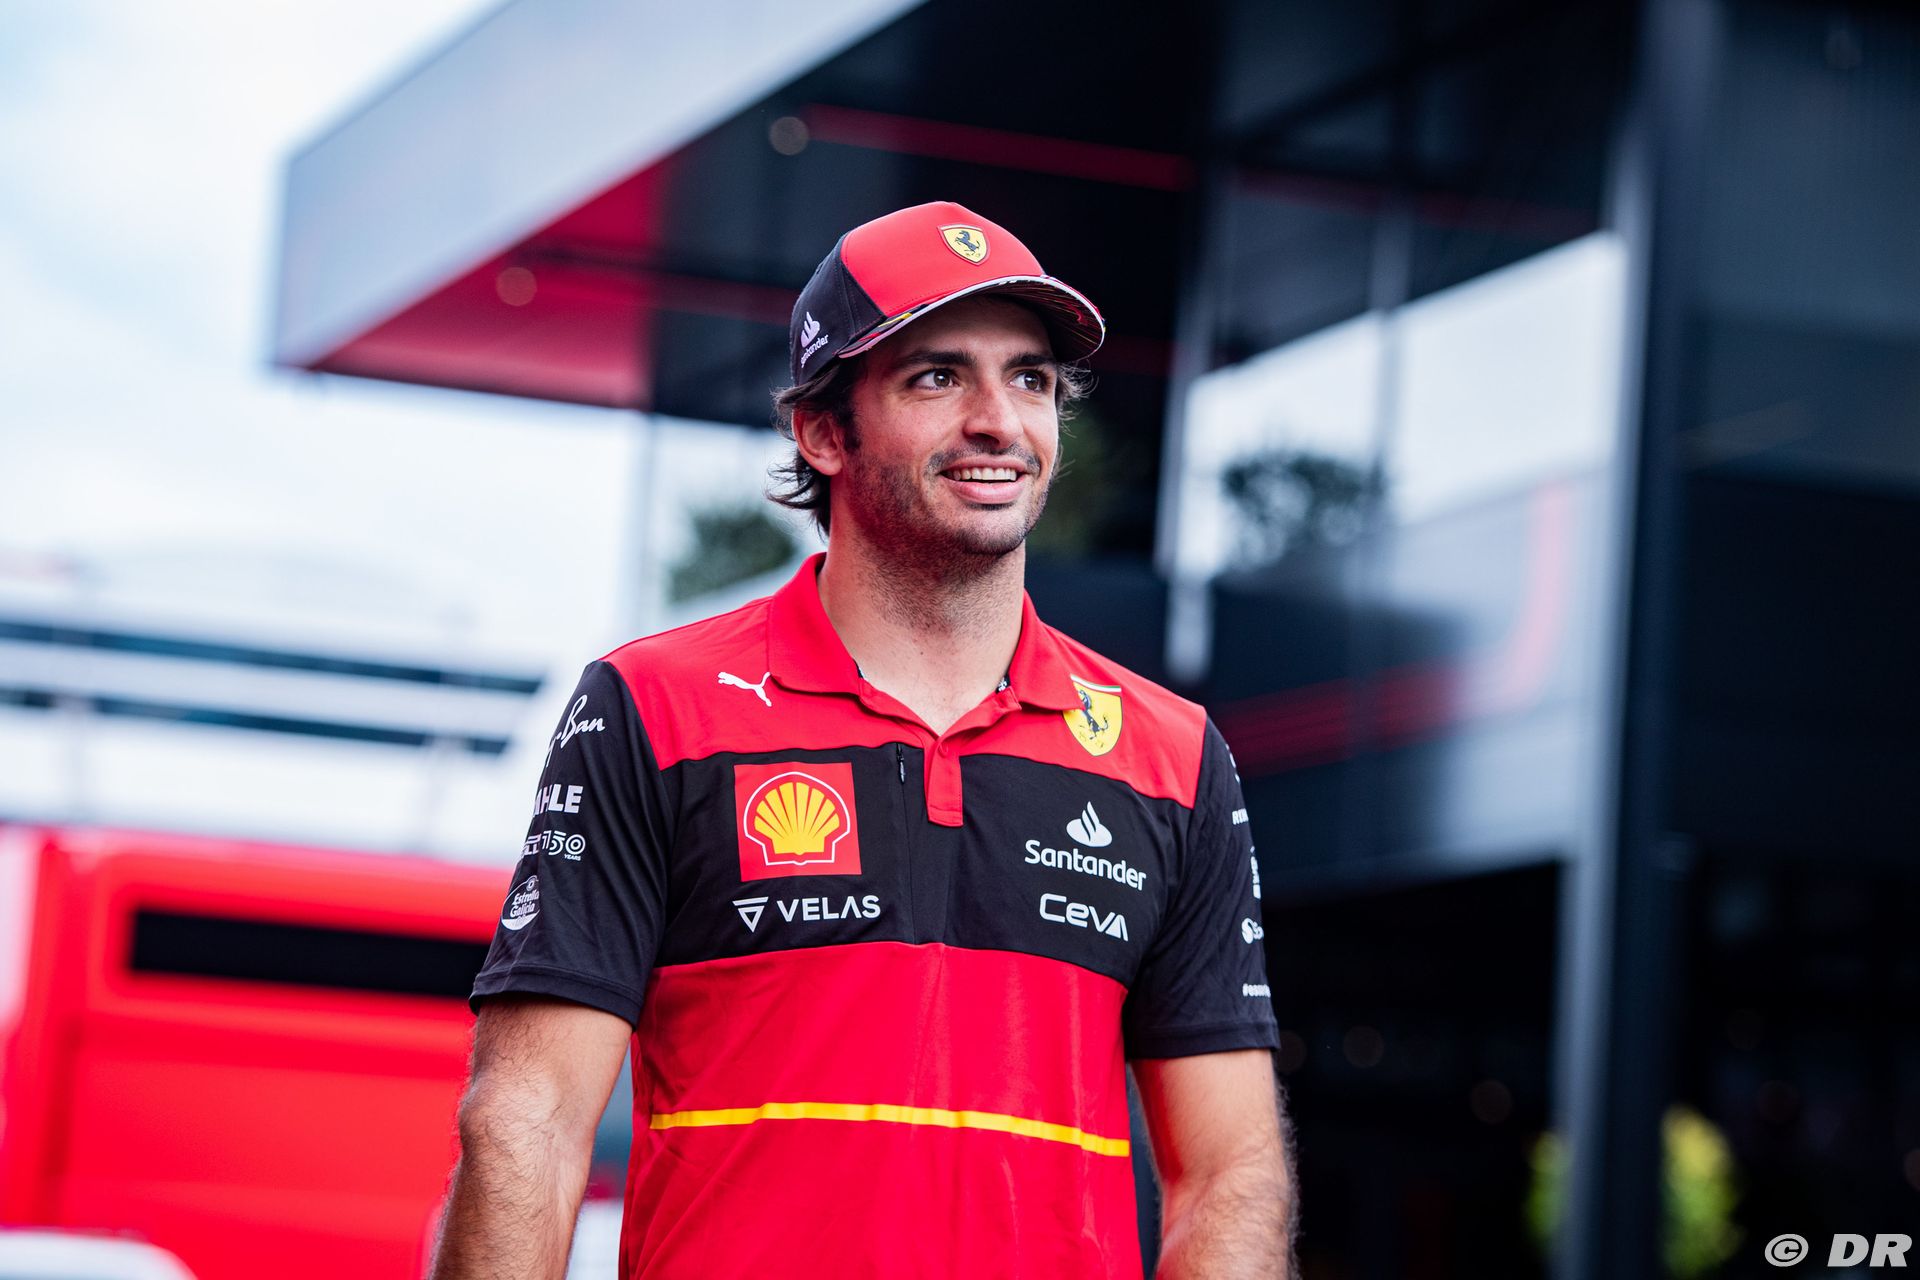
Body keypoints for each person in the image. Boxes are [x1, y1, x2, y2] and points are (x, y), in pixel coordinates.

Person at [432, 201, 1295, 1279]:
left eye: (1029, 379)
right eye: (937, 378)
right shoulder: (653, 708)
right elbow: (530, 1121)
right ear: (822, 431)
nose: (998, 421)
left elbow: (1229, 1174)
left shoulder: (1172, 755)